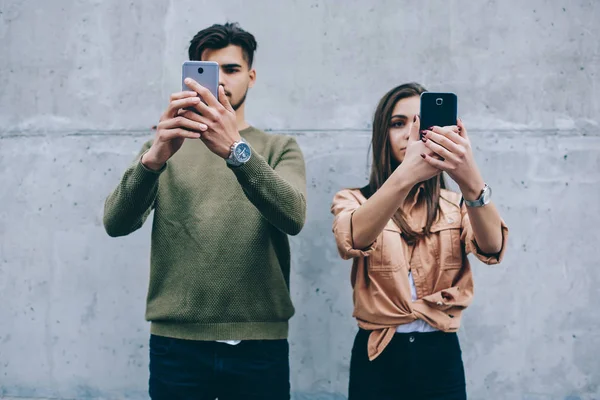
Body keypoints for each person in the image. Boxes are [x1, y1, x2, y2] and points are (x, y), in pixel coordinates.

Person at [103, 22, 306, 400]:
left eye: (231, 69)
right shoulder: (163, 145)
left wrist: (236, 151)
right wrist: (153, 160)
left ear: (251, 75)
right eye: (211, 71)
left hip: (259, 344)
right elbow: (116, 223)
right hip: (176, 344)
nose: (223, 82)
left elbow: (293, 216)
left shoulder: (279, 147)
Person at [331, 83, 509, 399]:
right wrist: (407, 174)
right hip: (378, 354)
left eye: (420, 122)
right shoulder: (354, 199)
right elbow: (353, 239)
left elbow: (492, 247)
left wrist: (471, 181)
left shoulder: (455, 204)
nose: (409, 134)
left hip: (439, 353)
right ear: (381, 134)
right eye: (398, 123)